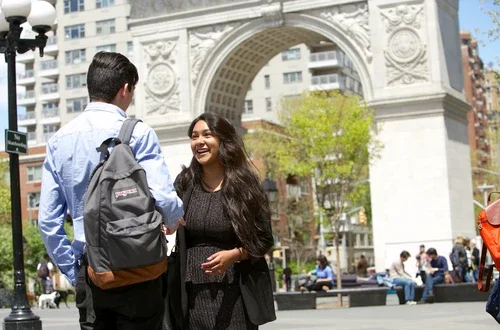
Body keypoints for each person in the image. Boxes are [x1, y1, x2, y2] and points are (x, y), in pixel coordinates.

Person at [38, 52, 185, 330]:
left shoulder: (58, 141)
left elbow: (47, 222)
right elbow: (164, 197)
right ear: (125, 89)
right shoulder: (138, 133)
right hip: (140, 268)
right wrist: (172, 219)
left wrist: (75, 270)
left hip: (91, 271)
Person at [170, 113, 276, 329]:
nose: (199, 142)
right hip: (190, 295)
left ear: (223, 140)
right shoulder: (184, 183)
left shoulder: (246, 186)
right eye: (194, 136)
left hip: (235, 294)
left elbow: (264, 239)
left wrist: (235, 254)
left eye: (207, 135)